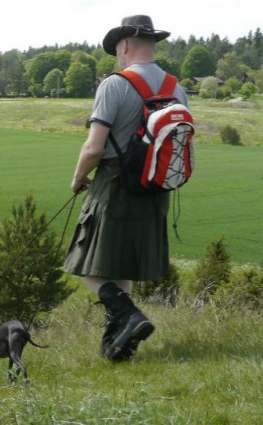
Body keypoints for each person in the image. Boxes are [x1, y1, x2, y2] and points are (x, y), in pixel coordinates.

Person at [64, 15, 189, 362]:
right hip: (158, 188)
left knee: (83, 261)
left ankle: (129, 316)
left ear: (124, 45)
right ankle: (120, 344)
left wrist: (77, 179)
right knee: (122, 265)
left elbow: (93, 147)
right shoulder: (176, 88)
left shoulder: (114, 84)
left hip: (115, 184)